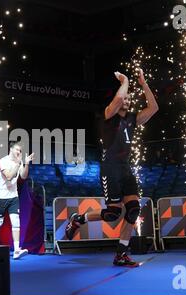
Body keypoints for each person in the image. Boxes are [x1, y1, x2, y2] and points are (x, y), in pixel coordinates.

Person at [65, 68, 158, 267]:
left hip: (125, 169)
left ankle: (121, 254)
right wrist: (124, 81)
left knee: (133, 210)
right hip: (110, 168)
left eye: (129, 98)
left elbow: (153, 108)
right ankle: (78, 219)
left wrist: (144, 85)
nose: (127, 100)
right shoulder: (107, 115)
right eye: (125, 97)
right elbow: (117, 101)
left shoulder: (132, 119)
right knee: (113, 214)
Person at [0, 142, 34, 259]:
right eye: (17, 150)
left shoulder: (18, 163)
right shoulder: (3, 161)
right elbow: (9, 176)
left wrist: (25, 164)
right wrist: (18, 163)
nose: (19, 152)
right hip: (1, 197)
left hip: (14, 197)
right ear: (11, 149)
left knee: (16, 223)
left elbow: (23, 176)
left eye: (20, 151)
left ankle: (16, 250)